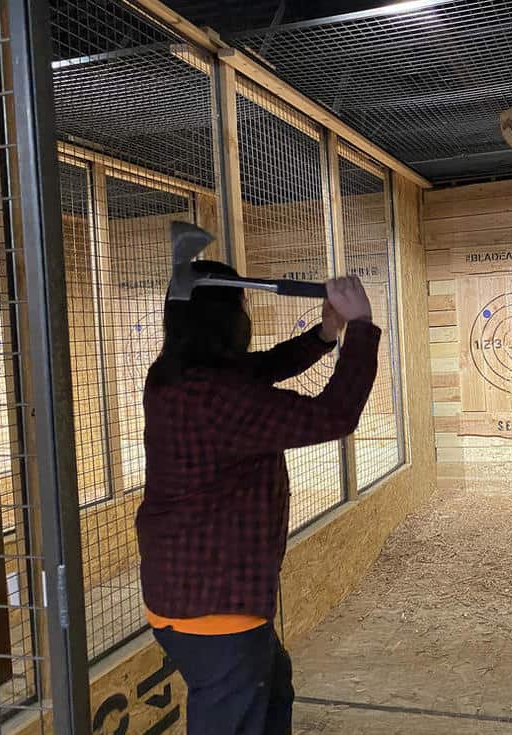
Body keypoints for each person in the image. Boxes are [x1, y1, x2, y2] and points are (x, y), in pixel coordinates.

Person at [135, 260, 379, 735]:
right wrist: (363, 327)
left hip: (195, 593)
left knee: (273, 686)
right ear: (226, 319)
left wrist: (325, 334)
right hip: (214, 608)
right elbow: (334, 415)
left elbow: (259, 368)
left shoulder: (174, 375)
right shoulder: (216, 395)